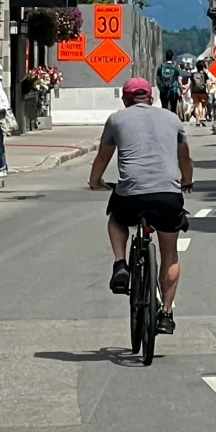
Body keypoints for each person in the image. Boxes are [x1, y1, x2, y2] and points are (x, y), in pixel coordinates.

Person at [88, 74, 194, 337]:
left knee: (116, 217)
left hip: (131, 195)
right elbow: (185, 158)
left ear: (125, 99)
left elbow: (103, 156)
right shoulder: (172, 119)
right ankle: (166, 314)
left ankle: (121, 263)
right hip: (167, 196)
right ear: (152, 97)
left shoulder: (116, 119)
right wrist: (187, 181)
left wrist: (95, 181)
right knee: (170, 254)